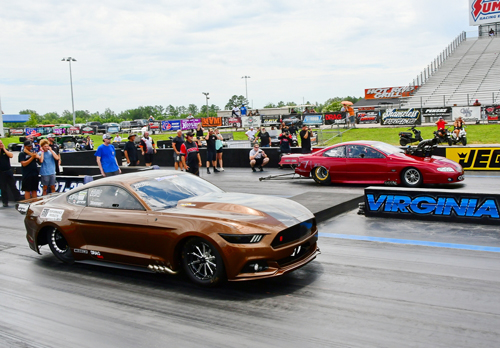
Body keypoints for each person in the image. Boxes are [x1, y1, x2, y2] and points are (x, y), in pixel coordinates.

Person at [0, 139, 22, 207]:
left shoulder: (5, 150)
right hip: (1, 172)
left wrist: (3, 148)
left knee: (13, 185)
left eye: (1, 143)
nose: (1, 144)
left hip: (8, 171)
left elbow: (11, 155)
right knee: (3, 188)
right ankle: (5, 201)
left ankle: (18, 199)